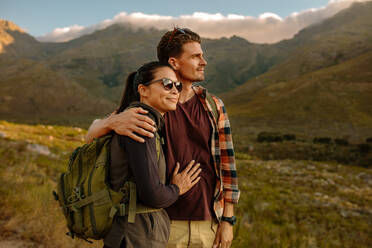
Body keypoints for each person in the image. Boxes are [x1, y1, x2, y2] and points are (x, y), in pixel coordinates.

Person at [87, 28, 240, 248]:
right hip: (163, 224)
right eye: (196, 56)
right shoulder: (155, 104)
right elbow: (92, 135)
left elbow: (227, 166)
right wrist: (110, 122)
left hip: (209, 223)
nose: (203, 62)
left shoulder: (214, 106)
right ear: (174, 62)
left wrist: (227, 220)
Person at [103, 61, 202, 248]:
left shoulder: (137, 120)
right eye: (167, 84)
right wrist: (177, 188)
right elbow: (153, 196)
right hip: (135, 236)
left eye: (177, 85)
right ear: (144, 90)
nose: (175, 90)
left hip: (133, 233)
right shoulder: (140, 124)